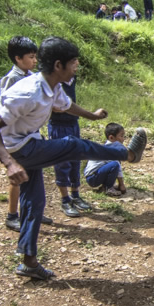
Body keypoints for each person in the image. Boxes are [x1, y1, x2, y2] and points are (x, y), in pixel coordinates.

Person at [0, 36, 148, 280]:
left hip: (30, 144)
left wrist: (92, 117)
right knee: (73, 145)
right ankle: (127, 154)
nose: (77, 66)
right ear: (58, 65)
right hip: (19, 150)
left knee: (34, 203)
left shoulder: (52, 86)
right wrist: (9, 163)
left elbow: (67, 105)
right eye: (73, 62)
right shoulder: (27, 92)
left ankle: (28, 262)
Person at [0, 36, 51, 232]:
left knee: (33, 174)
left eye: (35, 56)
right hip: (15, 137)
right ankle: (12, 215)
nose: (35, 60)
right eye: (30, 57)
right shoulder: (12, 79)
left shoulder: (31, 76)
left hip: (29, 134)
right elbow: (4, 108)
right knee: (18, 177)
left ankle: (31, 211)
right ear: (18, 58)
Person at [49, 71, 99, 218]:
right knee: (62, 163)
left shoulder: (71, 78)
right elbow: (53, 105)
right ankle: (65, 200)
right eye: (72, 62)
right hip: (58, 126)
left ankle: (75, 195)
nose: (76, 65)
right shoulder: (52, 80)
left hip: (73, 124)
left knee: (76, 160)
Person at [85, 122, 128, 197]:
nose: (123, 139)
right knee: (114, 165)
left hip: (93, 176)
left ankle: (105, 186)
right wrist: (121, 185)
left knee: (114, 165)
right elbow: (117, 167)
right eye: (121, 136)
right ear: (111, 137)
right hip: (93, 178)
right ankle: (109, 188)